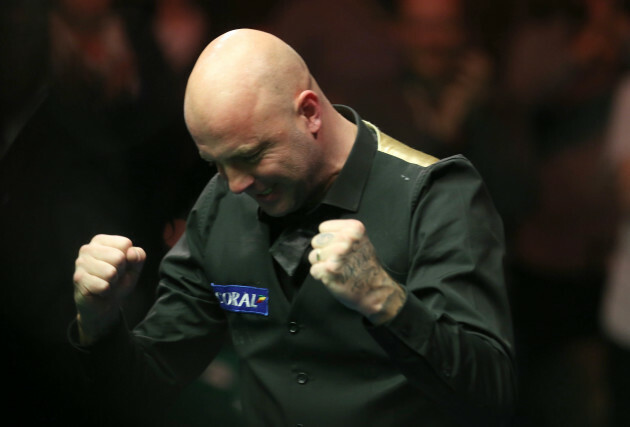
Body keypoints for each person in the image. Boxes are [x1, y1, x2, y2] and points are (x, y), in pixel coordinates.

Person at [71, 28, 515, 426]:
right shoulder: (222, 201)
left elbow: (490, 397)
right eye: (217, 164)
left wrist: (388, 304)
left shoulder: (434, 195)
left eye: (250, 155)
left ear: (309, 113)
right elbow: (145, 391)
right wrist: (100, 325)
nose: (235, 184)